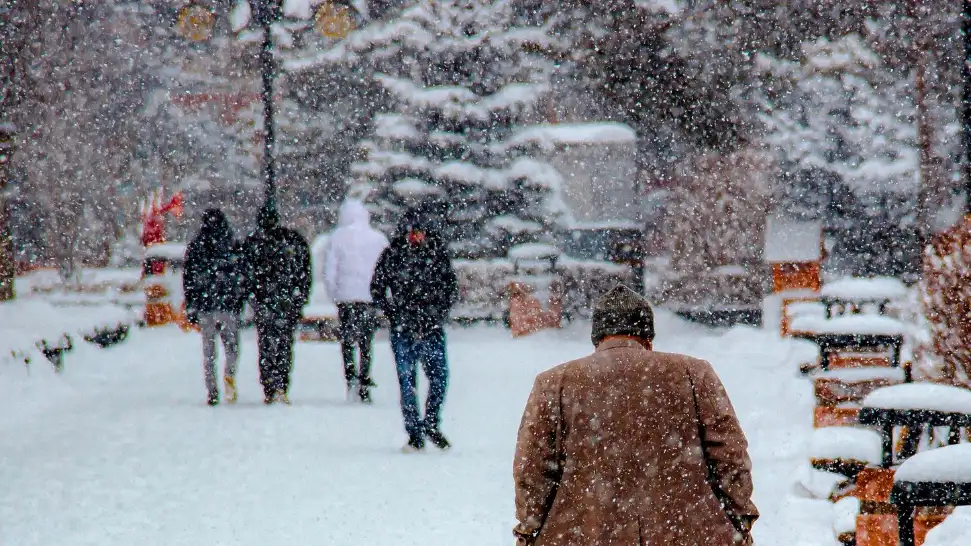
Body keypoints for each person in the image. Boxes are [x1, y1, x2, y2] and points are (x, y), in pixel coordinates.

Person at [513, 285, 759, 545]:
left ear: (597, 340)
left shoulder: (554, 383)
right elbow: (730, 455)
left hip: (584, 534)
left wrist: (529, 531)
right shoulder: (694, 374)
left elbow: (532, 468)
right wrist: (740, 521)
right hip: (687, 533)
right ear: (648, 338)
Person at [370, 206, 457, 452]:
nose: (416, 237)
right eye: (412, 232)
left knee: (438, 378)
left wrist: (437, 313)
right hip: (405, 328)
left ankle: (430, 423)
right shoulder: (393, 255)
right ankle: (416, 432)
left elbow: (450, 288)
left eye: (419, 232)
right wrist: (394, 312)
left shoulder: (436, 254)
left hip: (429, 327)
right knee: (408, 382)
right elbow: (377, 288)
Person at [243, 205, 312, 405]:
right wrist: (300, 297)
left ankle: (269, 385)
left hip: (265, 301)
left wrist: (251, 296)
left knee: (266, 344)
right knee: (284, 344)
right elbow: (304, 272)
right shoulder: (291, 241)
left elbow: (246, 274)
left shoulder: (254, 243)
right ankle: (281, 384)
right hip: (286, 301)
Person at [323, 200, 389, 403]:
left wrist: (334, 294)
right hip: (369, 297)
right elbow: (387, 268)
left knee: (348, 340)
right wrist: (383, 294)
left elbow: (329, 271)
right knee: (366, 341)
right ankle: (364, 379)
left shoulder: (337, 238)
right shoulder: (378, 238)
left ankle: (351, 378)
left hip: (346, 297)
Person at [183, 209, 245, 406]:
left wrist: (192, 305)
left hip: (205, 306)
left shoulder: (197, 245)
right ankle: (229, 375)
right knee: (232, 347)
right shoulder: (232, 244)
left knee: (209, 351)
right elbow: (242, 274)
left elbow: (189, 279)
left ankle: (212, 389)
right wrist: (239, 300)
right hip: (228, 305)